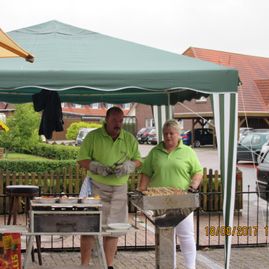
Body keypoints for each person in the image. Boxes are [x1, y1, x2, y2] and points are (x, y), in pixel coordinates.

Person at [77, 106, 141, 269]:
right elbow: (81, 159)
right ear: (106, 119)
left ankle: (108, 265)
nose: (118, 124)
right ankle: (84, 264)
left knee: (114, 228)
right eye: (114, 120)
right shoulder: (93, 137)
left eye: (120, 121)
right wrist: (95, 166)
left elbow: (138, 160)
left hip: (119, 189)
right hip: (96, 188)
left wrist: (130, 165)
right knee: (89, 226)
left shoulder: (129, 139)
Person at [139, 119, 203, 269]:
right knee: (166, 237)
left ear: (178, 134)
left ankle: (190, 266)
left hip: (182, 200)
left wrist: (194, 185)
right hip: (159, 201)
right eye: (166, 134)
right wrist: (141, 193)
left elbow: (198, 172)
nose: (168, 137)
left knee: (186, 235)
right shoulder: (155, 152)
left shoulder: (188, 152)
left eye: (172, 134)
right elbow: (146, 174)